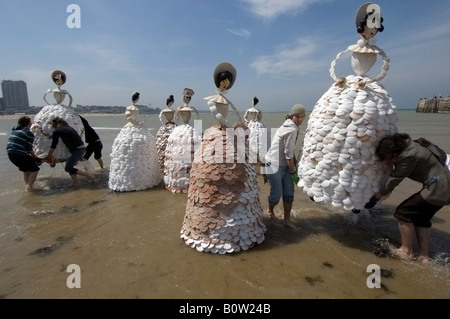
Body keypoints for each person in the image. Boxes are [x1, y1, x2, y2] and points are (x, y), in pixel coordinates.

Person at [366, 133, 450, 263]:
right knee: (422, 219)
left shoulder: (409, 155)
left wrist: (377, 196)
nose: (389, 162)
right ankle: (424, 256)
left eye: (388, 159)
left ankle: (406, 251)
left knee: (403, 212)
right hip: (443, 188)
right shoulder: (412, 145)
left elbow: (396, 178)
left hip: (438, 189)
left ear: (392, 153)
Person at [264, 104, 307, 230]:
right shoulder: (291, 129)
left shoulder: (290, 126)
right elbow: (288, 154)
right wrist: (294, 173)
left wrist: (293, 164)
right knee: (276, 194)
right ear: (292, 116)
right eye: (297, 116)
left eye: (302, 116)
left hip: (284, 164)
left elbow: (289, 149)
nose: (300, 119)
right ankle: (271, 211)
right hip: (274, 164)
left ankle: (287, 220)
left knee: (289, 193)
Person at [46, 117, 95, 187]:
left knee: (68, 168)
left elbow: (53, 146)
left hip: (77, 150)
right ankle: (76, 183)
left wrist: (49, 156)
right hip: (81, 148)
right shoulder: (69, 127)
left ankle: (90, 176)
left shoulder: (57, 131)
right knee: (71, 167)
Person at [6, 116, 41, 191]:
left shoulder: (14, 130)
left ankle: (27, 186)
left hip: (10, 153)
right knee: (35, 169)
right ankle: (30, 187)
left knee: (26, 170)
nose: (31, 123)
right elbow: (29, 149)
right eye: (30, 122)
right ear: (28, 123)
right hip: (19, 153)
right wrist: (36, 158)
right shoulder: (28, 133)